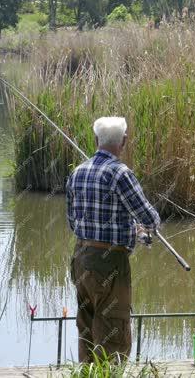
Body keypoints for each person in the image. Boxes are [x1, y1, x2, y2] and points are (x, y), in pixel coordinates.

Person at [66, 116, 161, 363]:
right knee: (113, 330)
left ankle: (87, 372)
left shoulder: (77, 172)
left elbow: (73, 222)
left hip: (81, 258)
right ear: (124, 142)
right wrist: (143, 228)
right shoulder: (121, 174)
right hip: (110, 264)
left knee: (87, 324)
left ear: (96, 140)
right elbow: (149, 219)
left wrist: (131, 229)